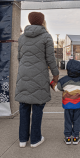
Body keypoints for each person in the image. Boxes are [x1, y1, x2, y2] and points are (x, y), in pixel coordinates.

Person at [15, 12, 59, 148]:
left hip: (23, 74)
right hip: (40, 75)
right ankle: (35, 139)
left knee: (24, 106)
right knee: (38, 106)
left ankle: (22, 140)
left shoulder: (22, 38)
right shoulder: (46, 36)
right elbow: (51, 58)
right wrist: (56, 75)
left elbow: (19, 57)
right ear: (42, 21)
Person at [50, 60, 80, 145]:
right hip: (78, 105)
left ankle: (67, 137)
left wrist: (52, 83)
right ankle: (75, 137)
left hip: (67, 105)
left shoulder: (63, 80)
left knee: (68, 120)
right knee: (77, 120)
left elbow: (56, 89)